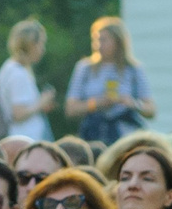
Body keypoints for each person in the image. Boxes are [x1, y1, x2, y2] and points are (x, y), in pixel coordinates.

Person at [65, 13, 154, 143]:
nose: (98, 45)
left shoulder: (133, 69)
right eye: (96, 40)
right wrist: (97, 103)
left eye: (104, 40)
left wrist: (132, 103)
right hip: (93, 133)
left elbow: (151, 110)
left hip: (125, 133)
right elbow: (71, 109)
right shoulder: (85, 68)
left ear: (118, 42)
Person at [0, 18, 58, 141]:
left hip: (23, 137)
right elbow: (18, 113)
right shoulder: (18, 74)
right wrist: (42, 102)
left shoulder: (11, 68)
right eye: (41, 44)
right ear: (31, 45)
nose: (43, 49)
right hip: (25, 139)